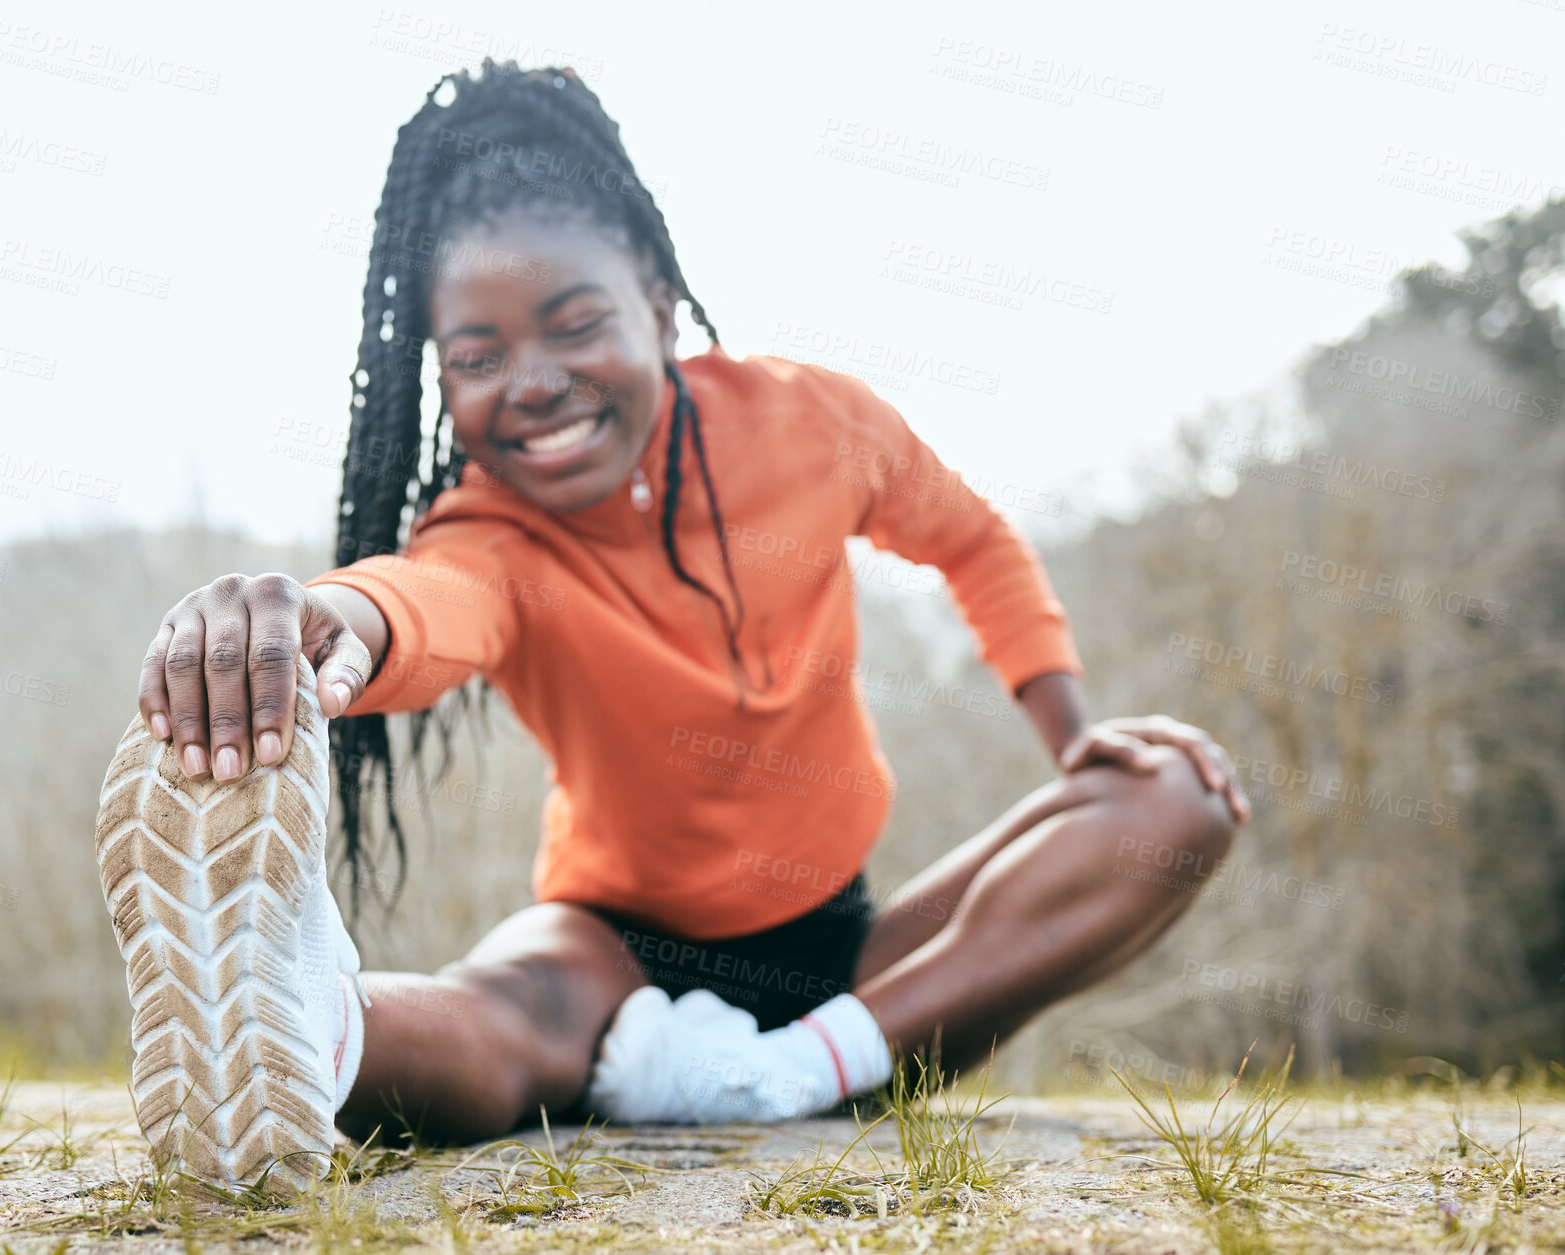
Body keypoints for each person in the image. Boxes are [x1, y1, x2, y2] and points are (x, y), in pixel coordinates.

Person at [121, 59, 1247, 1155]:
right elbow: (428, 601)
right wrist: (329, 620)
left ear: (658, 308)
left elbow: (975, 541)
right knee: (513, 1007)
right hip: (613, 958)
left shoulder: (812, 424)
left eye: (574, 325)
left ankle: (796, 1075)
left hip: (849, 959)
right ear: (442, 378)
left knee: (1175, 802)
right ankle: (295, 1022)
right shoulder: (494, 529)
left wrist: (1074, 735)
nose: (535, 379)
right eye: (478, 355)